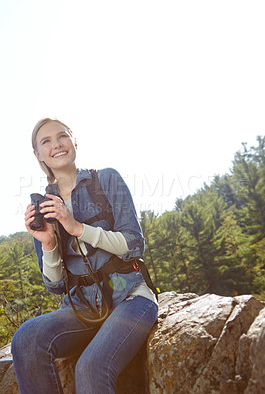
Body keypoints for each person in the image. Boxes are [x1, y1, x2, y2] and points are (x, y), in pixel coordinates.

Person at [11, 118, 158, 394]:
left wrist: (77, 228)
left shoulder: (107, 179)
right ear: (38, 155)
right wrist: (49, 243)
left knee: (90, 367)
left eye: (62, 136)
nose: (56, 144)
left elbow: (134, 245)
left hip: (129, 298)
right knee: (26, 340)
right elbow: (55, 286)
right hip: (81, 309)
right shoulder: (44, 206)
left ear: (74, 141)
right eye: (46, 141)